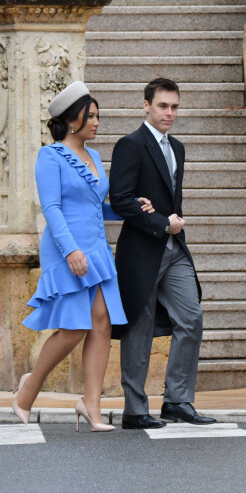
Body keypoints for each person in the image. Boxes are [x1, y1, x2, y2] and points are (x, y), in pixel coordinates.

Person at [12, 81, 154, 432]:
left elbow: (94, 207)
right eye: (90, 116)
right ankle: (28, 388)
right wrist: (71, 249)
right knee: (75, 327)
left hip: (97, 247)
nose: (96, 122)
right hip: (67, 247)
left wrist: (131, 209)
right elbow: (53, 208)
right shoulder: (50, 155)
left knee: (103, 323)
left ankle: (91, 405)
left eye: (97, 116)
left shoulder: (92, 157)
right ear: (71, 119)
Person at [109, 77, 216, 430]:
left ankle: (177, 401)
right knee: (137, 331)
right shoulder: (130, 145)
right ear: (146, 106)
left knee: (192, 317)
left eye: (174, 107)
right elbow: (121, 199)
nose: (169, 113)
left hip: (174, 249)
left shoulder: (178, 148)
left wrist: (171, 226)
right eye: (162, 106)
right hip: (141, 251)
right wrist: (158, 221)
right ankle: (135, 410)